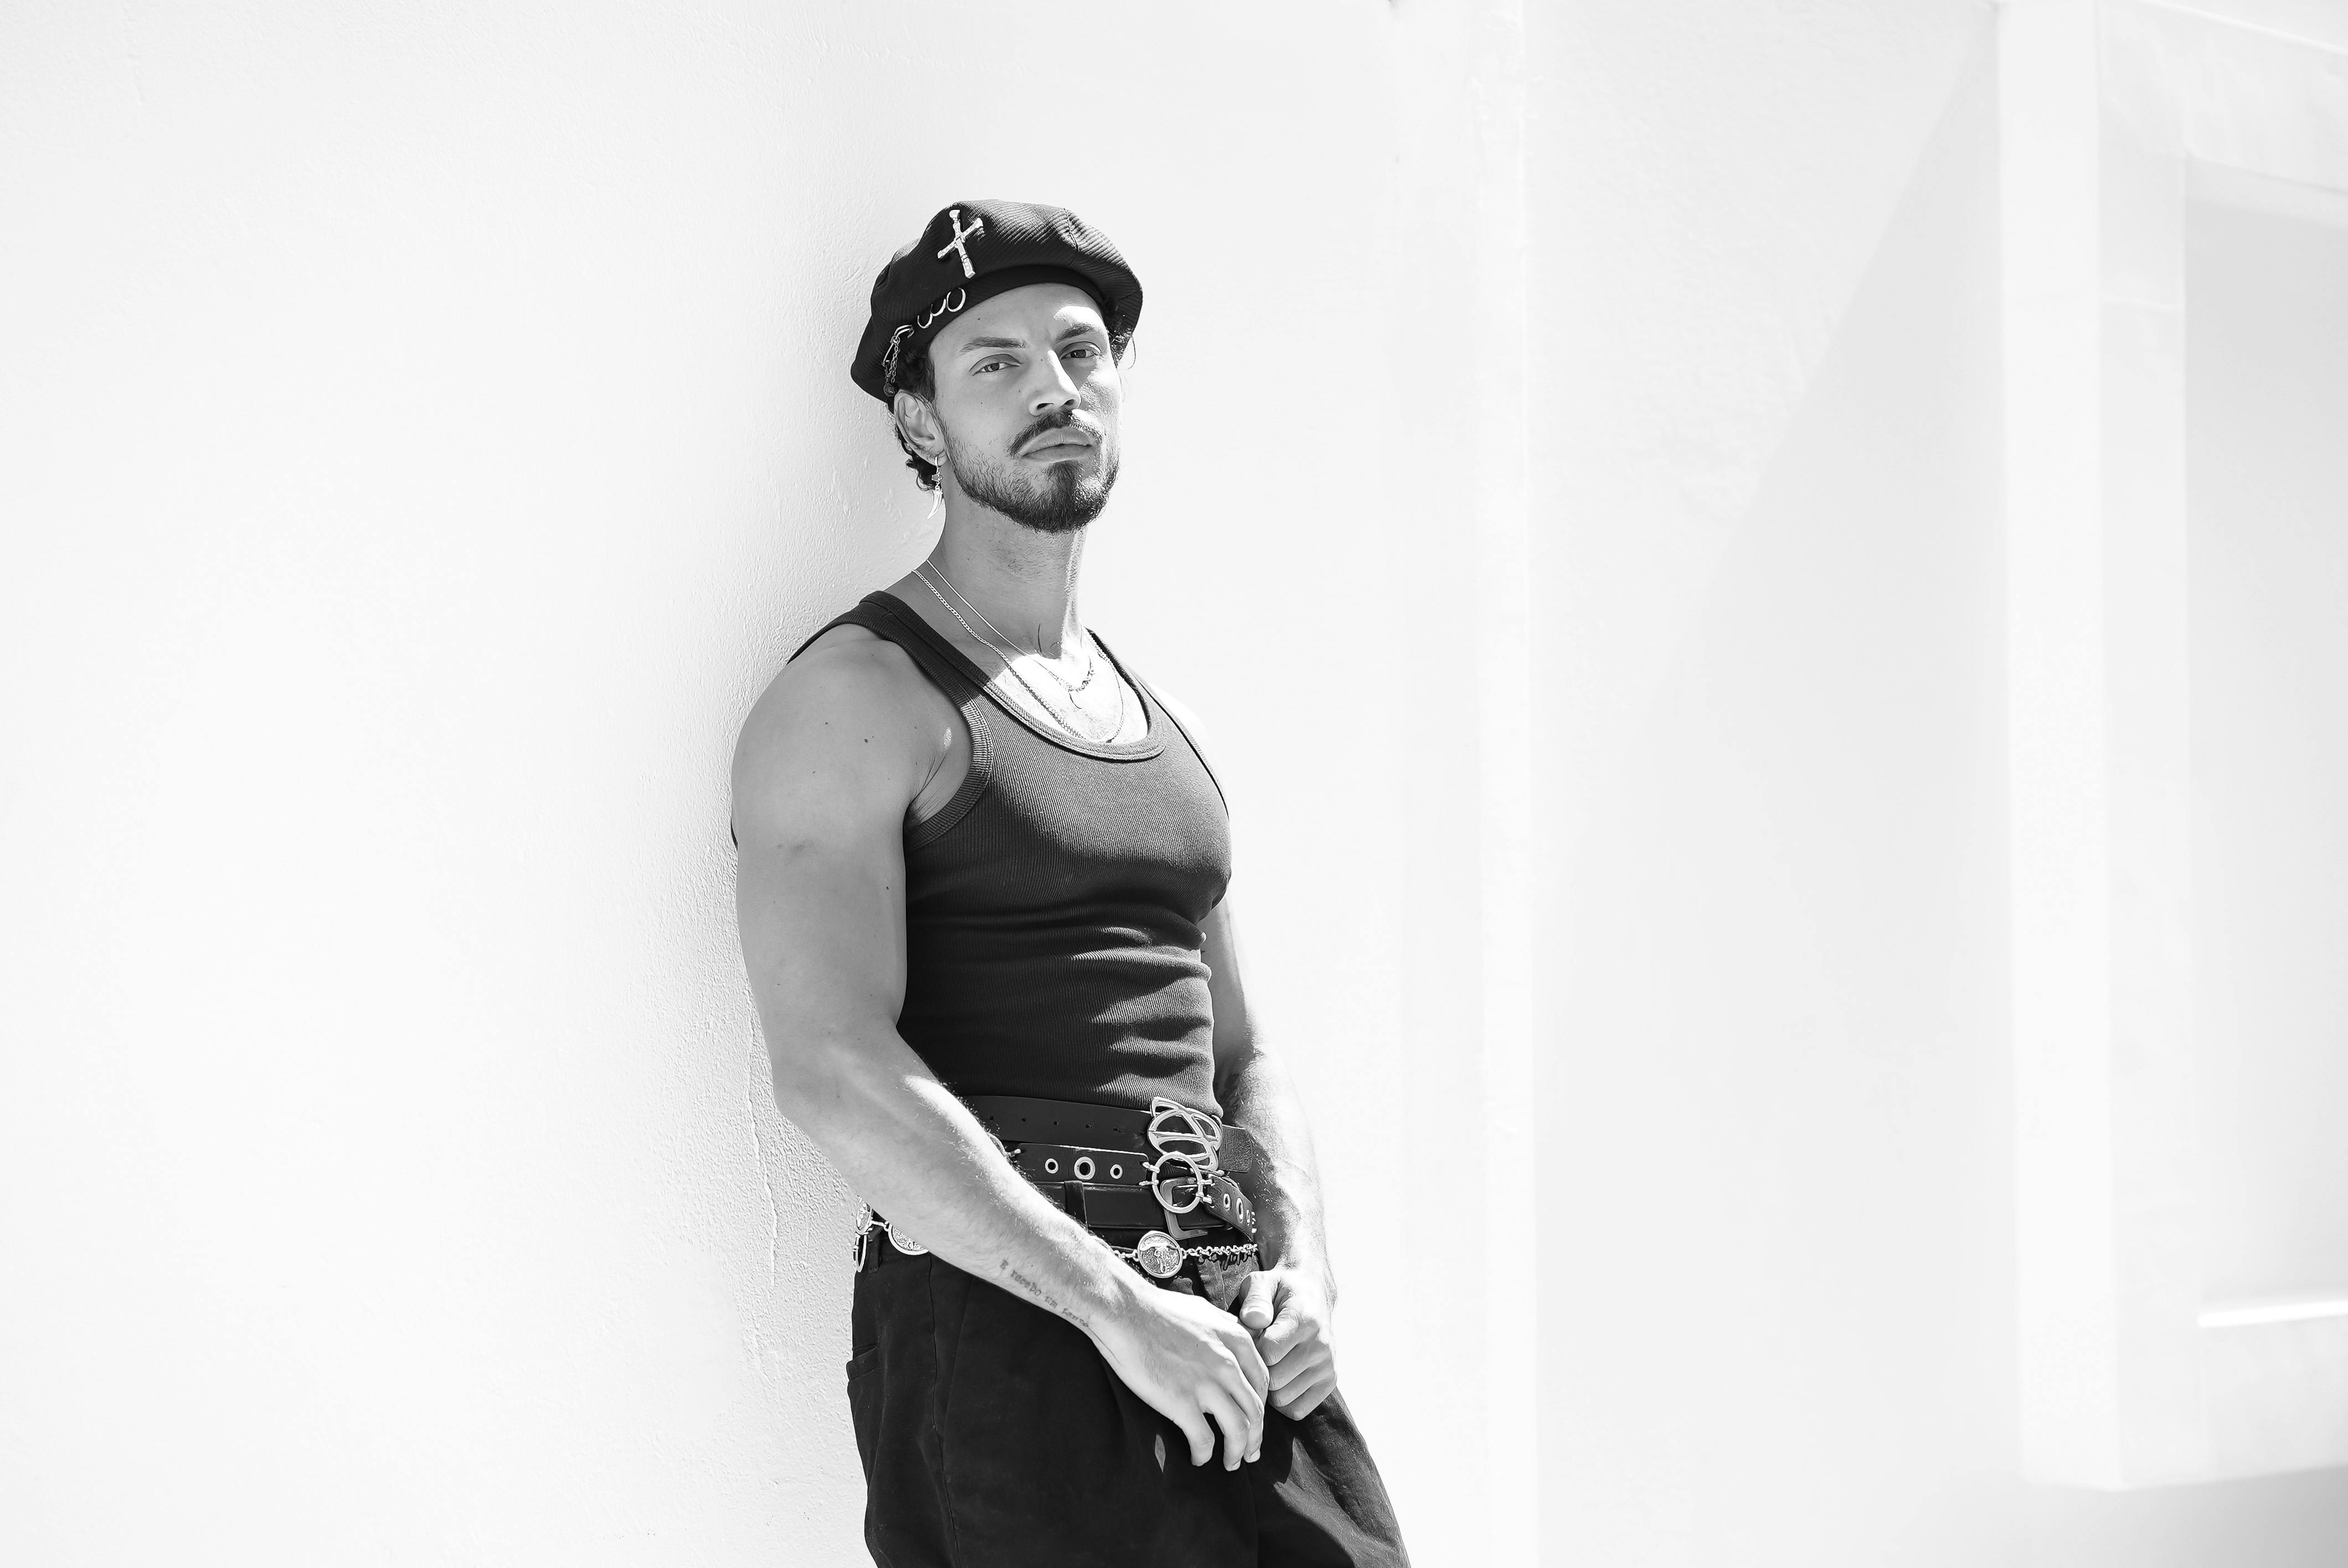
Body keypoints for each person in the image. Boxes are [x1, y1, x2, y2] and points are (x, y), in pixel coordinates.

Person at [732, 199, 1409, 1567]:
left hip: (1226, 1320)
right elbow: (829, 1066)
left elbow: (1243, 1053)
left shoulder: (1159, 728)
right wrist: (1111, 1307)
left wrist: (1303, 1267)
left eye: (1081, 351)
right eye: (993, 363)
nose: (1052, 388)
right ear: (919, 424)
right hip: (1019, 1329)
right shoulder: (860, 694)